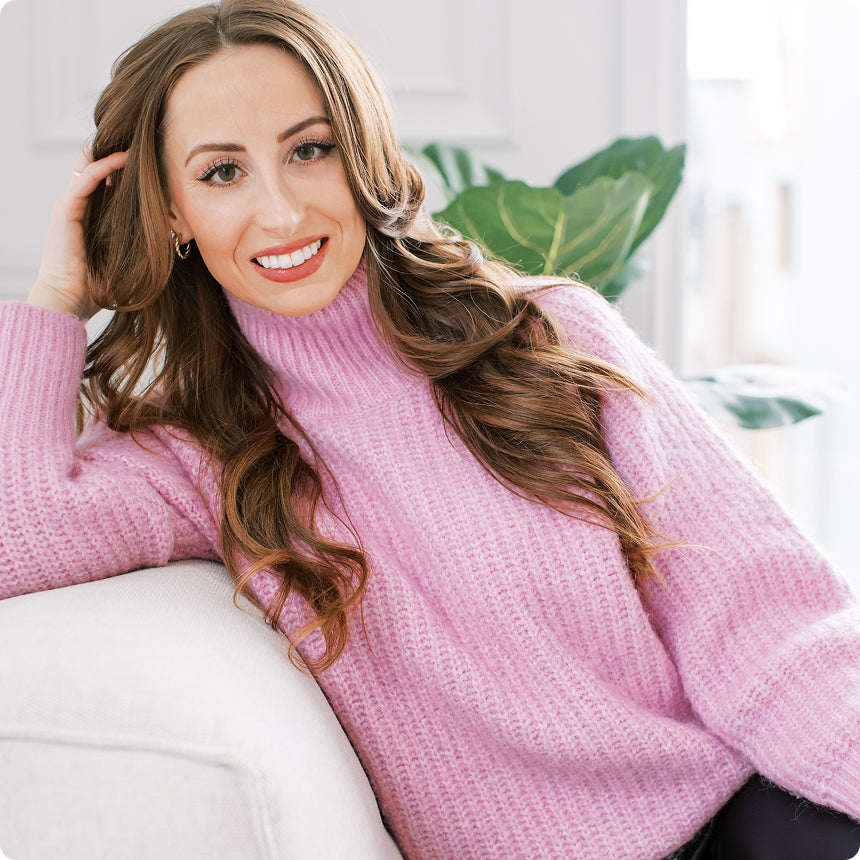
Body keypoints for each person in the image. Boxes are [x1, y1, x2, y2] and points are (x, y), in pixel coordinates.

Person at [1, 1, 859, 857]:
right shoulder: (196, 455)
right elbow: (18, 535)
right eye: (222, 173)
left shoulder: (546, 334)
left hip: (750, 815)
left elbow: (762, 612)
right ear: (173, 212)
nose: (283, 211)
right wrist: (57, 299)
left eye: (310, 150)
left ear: (362, 153)